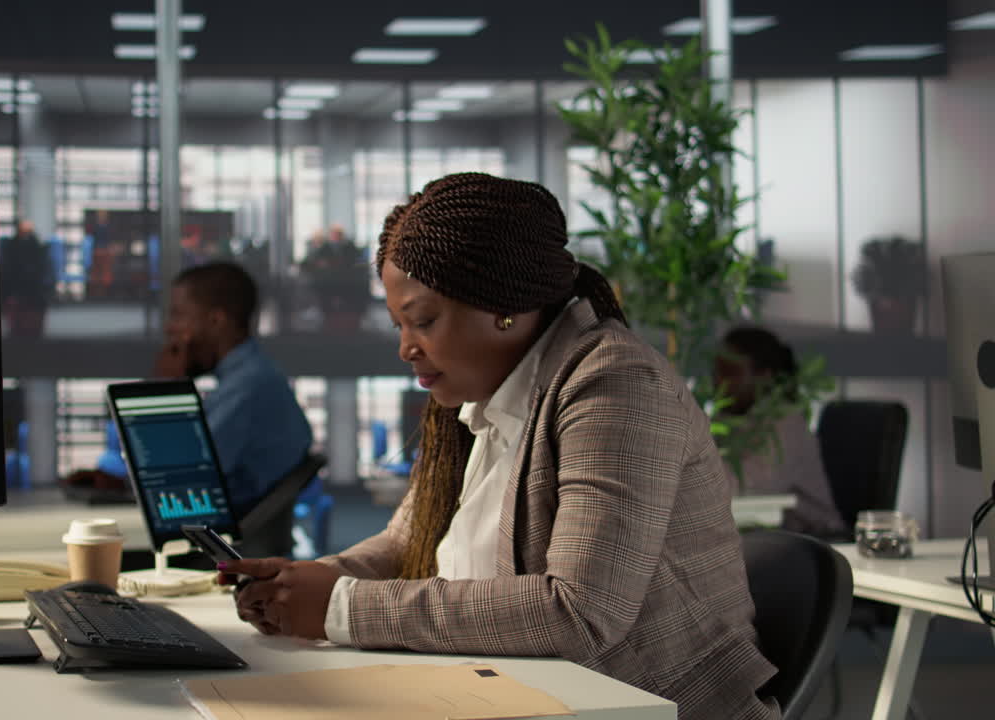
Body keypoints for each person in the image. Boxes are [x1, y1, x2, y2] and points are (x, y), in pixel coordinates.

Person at [219, 173, 779, 720]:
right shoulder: (478, 398)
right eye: (399, 327)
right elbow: (406, 541)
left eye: (423, 321)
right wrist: (304, 583)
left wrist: (341, 606)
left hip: (639, 705)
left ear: (502, 306)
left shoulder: (616, 383)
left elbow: (579, 614)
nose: (407, 349)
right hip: (510, 695)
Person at [153, 261, 313, 516]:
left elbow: (177, 478)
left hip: (214, 539)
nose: (169, 328)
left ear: (216, 321)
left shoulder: (247, 387)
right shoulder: (250, 376)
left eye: (178, 315)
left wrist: (167, 389)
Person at [713, 326, 846, 537]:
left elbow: (747, 487)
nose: (719, 381)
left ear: (765, 376)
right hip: (768, 540)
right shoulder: (726, 420)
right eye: (716, 371)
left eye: (730, 372)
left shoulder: (787, 423)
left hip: (818, 542)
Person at [0, 220, 54, 337]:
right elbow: (8, 266)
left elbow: (42, 265)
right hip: (16, 280)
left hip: (33, 282)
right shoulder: (12, 245)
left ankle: (31, 325)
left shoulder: (36, 245)